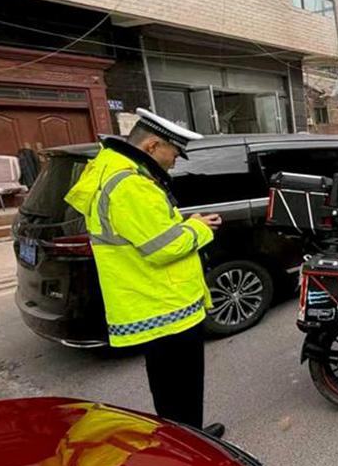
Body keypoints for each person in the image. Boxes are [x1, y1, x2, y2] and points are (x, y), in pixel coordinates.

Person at [65, 109, 225, 436]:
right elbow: (164, 247)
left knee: (169, 388)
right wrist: (198, 227)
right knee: (181, 386)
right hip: (165, 305)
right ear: (152, 145)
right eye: (174, 153)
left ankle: (185, 435)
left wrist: (182, 224)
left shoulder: (111, 171)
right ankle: (189, 446)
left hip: (149, 300)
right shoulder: (131, 186)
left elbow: (146, 232)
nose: (175, 162)